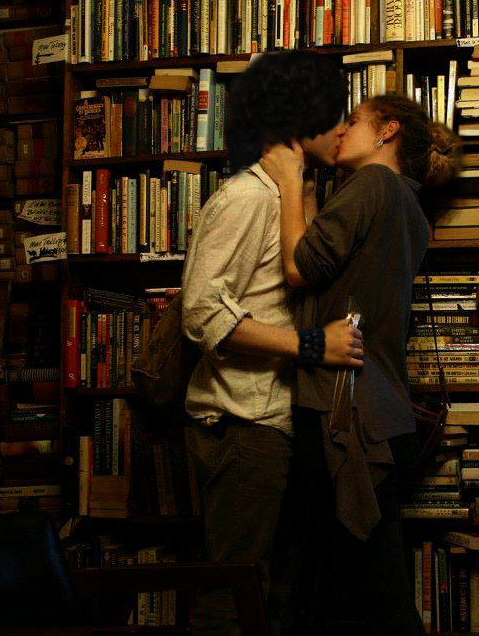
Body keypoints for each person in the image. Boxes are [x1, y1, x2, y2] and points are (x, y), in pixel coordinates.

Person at [261, 94, 461, 635]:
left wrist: (289, 180)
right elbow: (333, 266)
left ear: (386, 131)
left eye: (354, 121)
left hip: (342, 408)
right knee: (355, 583)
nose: (343, 130)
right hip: (382, 408)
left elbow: (301, 268)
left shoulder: (372, 183)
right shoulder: (410, 207)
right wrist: (308, 191)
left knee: (354, 588)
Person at [180, 51, 364, 636]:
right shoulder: (248, 198)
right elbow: (202, 312)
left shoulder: (288, 197)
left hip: (272, 424)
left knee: (273, 596)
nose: (343, 127)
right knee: (233, 595)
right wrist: (310, 346)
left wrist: (300, 188)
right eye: (334, 115)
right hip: (240, 425)